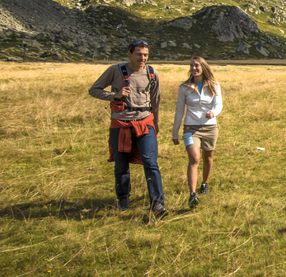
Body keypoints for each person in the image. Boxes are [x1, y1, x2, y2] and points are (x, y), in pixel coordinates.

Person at [88, 40, 167, 217]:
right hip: (121, 125)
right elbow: (94, 90)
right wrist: (113, 95)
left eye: (145, 54)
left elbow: (156, 100)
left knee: (151, 162)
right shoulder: (115, 70)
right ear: (129, 53)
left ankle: (158, 203)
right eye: (139, 54)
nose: (142, 58)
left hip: (145, 123)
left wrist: (156, 122)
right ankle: (123, 202)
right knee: (121, 165)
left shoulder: (152, 73)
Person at [172, 56, 223, 209]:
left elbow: (218, 104)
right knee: (195, 158)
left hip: (210, 127)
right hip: (190, 128)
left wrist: (213, 113)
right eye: (191, 66)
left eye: (196, 66)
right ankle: (192, 194)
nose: (193, 69)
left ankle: (204, 184)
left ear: (203, 67)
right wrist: (175, 132)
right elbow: (179, 111)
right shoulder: (184, 87)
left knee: (208, 157)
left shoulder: (214, 85)